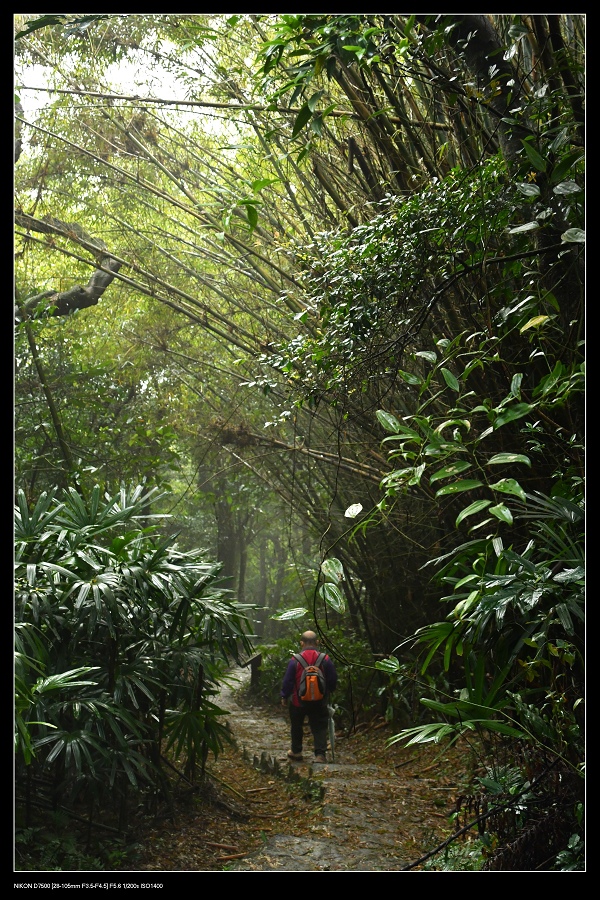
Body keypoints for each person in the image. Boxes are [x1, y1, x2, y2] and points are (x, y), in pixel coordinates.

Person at [280, 630, 337, 763]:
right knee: (319, 726)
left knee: (296, 725)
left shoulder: (295, 660)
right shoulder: (325, 659)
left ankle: (296, 751)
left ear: (302, 643)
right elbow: (332, 678)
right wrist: (329, 691)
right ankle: (320, 755)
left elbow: (288, 680)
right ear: (317, 642)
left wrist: (284, 696)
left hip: (298, 701)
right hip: (320, 700)